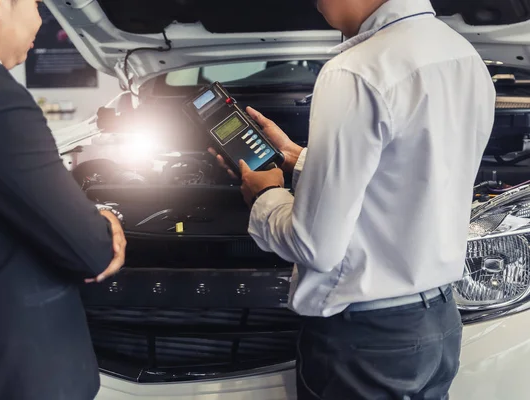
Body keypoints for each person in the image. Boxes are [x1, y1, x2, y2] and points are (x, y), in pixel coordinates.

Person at [211, 0, 496, 398]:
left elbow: (314, 246)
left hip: (366, 342)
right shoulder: (462, 55)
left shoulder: (355, 70)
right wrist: (301, 159)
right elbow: (412, 174)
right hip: (439, 324)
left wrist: (267, 196)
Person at [0, 0, 127, 399]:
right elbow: (90, 251)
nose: (40, 18)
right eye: (36, 3)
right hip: (10, 377)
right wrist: (105, 216)